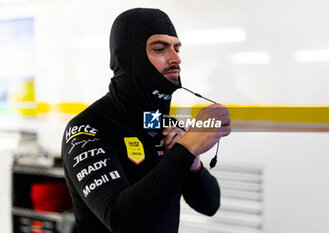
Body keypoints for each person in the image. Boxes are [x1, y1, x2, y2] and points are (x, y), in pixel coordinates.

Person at [61, 8, 231, 233]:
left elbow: (210, 204)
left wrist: (192, 161)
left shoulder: (164, 124)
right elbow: (122, 222)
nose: (176, 59)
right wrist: (186, 148)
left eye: (177, 48)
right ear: (129, 57)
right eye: (160, 49)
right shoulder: (86, 130)